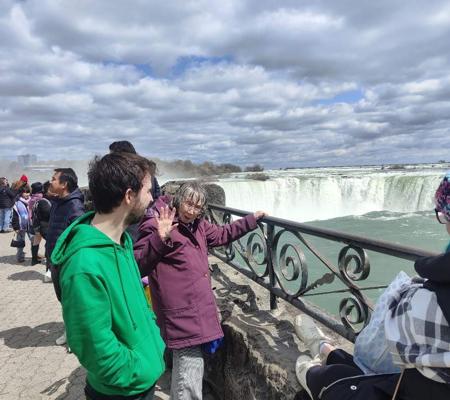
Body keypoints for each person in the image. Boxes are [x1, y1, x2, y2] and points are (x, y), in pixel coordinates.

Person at [294, 173, 450, 400]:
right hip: (409, 382)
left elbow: (392, 345)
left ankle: (314, 363)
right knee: (368, 373)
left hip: (410, 385)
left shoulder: (429, 305)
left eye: (444, 216)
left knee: (334, 378)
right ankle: (323, 348)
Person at [134, 181, 267, 399]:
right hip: (180, 311)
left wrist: (250, 220)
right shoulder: (158, 222)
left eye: (197, 208)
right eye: (188, 204)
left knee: (187, 365)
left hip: (195, 309)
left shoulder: (199, 225)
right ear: (178, 199)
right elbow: (138, 263)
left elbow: (223, 234)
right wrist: (161, 237)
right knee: (190, 370)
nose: (191, 211)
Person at [51, 152, 165, 400]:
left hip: (139, 382)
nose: (152, 198)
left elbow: (137, 307)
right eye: (147, 191)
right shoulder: (84, 264)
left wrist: (153, 340)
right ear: (128, 195)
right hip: (122, 392)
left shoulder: (122, 242)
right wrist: (138, 368)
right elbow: (93, 348)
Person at [46, 168, 85, 345]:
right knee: (63, 298)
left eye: (54, 179)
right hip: (55, 259)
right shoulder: (59, 200)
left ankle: (76, 337)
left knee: (71, 300)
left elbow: (79, 237)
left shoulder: (74, 206)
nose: (50, 182)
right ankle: (72, 331)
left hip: (65, 261)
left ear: (64, 184)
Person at [31, 181, 52, 274]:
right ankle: (49, 268)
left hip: (35, 224)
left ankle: (34, 259)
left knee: (36, 241)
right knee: (49, 244)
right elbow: (47, 213)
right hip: (44, 225)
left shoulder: (32, 200)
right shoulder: (43, 200)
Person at [11, 185, 32, 262]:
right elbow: (15, 216)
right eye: (25, 192)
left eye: (28, 192)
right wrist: (16, 227)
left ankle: (35, 256)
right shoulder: (17, 203)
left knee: (34, 240)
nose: (27, 194)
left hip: (30, 225)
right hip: (21, 227)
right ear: (21, 193)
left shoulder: (31, 201)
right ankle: (20, 257)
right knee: (20, 243)